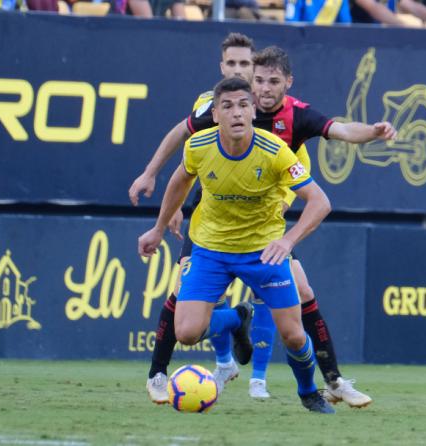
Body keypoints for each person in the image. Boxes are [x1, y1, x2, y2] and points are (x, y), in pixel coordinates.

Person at [187, 46, 395, 406]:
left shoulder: (297, 116)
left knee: (304, 293)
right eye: (259, 81)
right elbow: (185, 143)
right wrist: (158, 188)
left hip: (266, 227)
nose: (264, 89)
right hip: (216, 221)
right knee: (186, 313)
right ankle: (190, 359)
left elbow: (342, 129)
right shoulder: (228, 110)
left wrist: (373, 133)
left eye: (273, 82)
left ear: (288, 83)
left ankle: (332, 380)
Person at [138, 77, 336, 414]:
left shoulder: (275, 151)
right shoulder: (198, 146)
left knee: (293, 336)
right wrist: (158, 228)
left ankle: (308, 391)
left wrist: (287, 241)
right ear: (215, 114)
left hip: (262, 252)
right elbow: (178, 183)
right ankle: (234, 320)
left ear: (253, 109)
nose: (236, 113)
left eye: (243, 105)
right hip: (211, 249)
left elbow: (320, 202)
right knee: (185, 332)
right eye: (227, 106)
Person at [130, 33, 256, 405]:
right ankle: (158, 373)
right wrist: (153, 177)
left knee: (293, 305)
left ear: (255, 66)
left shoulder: (272, 110)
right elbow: (182, 144)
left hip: (257, 220)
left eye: (244, 63)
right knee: (184, 293)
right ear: (221, 67)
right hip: (211, 215)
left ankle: (325, 379)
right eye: (231, 63)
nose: (237, 69)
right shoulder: (211, 107)